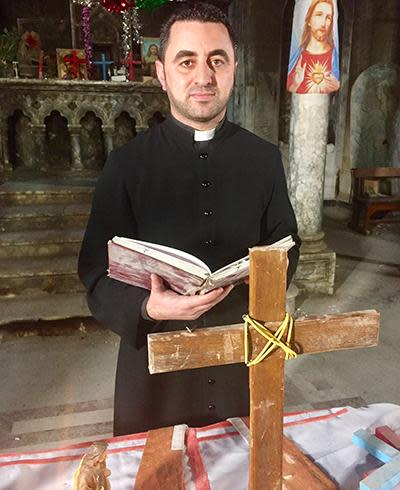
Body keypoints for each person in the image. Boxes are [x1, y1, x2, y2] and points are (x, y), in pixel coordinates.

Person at [79, 2, 300, 436]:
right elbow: (94, 272)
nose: (204, 77)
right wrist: (146, 305)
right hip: (156, 377)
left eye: (218, 60)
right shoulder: (126, 165)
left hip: (242, 359)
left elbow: (288, 244)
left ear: (235, 68)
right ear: (162, 73)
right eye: (187, 61)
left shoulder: (263, 160)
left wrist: (260, 277)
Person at [287, 0, 340, 94]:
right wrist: (296, 84)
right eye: (319, 15)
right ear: (309, 20)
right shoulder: (296, 59)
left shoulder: (334, 58)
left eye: (328, 17)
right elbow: (289, 93)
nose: (323, 24)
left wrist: (337, 85)